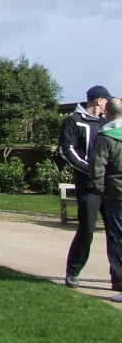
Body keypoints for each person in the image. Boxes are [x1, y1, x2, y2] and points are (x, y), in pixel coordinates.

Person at [59, 84, 122, 289]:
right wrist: (91, 170)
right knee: (87, 230)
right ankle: (73, 272)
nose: (108, 105)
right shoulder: (73, 121)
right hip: (88, 186)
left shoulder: (106, 123)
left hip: (109, 187)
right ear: (99, 100)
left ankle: (118, 278)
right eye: (106, 101)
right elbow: (66, 151)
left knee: (115, 232)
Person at [90, 97, 122, 302]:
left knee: (119, 237)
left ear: (107, 113)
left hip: (117, 193)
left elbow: (97, 167)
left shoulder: (105, 136)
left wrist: (101, 190)